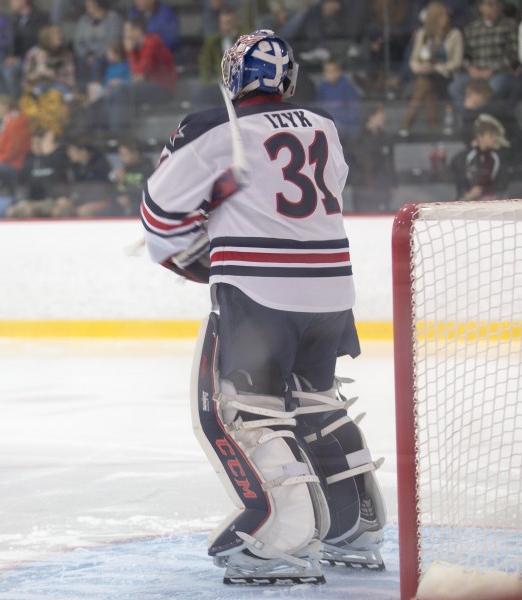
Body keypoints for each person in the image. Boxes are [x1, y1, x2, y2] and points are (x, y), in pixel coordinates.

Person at [141, 30, 386, 584]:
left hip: (260, 294)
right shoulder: (323, 125)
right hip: (331, 290)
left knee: (246, 413)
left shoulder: (211, 128)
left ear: (232, 77)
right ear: (288, 80)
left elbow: (160, 221)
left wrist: (199, 252)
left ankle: (278, 535)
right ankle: (357, 529)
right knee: (318, 404)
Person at [398, 1, 463, 138]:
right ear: (433, 17)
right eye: (442, 15)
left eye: (447, 15)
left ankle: (408, 119)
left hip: (445, 76)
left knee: (423, 83)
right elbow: (413, 59)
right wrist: (420, 67)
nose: (446, 18)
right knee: (426, 88)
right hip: (426, 74)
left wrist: (436, 67)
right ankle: (433, 126)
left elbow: (456, 62)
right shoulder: (423, 34)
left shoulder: (455, 34)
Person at [105, 18, 177, 132]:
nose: (124, 34)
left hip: (162, 89)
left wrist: (130, 52)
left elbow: (139, 74)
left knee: (121, 91)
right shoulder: (138, 46)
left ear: (137, 31)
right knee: (110, 94)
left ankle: (119, 134)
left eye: (127, 30)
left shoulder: (152, 42)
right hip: (148, 86)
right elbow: (136, 77)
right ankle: (109, 134)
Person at [448, 0, 518, 110]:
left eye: (497, 4)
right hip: (474, 73)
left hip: (498, 73)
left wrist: (491, 70)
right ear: (481, 7)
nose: (495, 8)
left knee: (495, 87)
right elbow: (465, 56)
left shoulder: (510, 26)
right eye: (490, 5)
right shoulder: (471, 28)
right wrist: (471, 68)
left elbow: (513, 56)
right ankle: (470, 119)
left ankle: (487, 119)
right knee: (455, 88)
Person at [6, 128, 70, 218]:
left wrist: (47, 155)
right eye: (33, 143)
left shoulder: (56, 159)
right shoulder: (28, 161)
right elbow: (22, 184)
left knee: (31, 210)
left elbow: (61, 183)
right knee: (12, 211)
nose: (36, 146)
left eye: (39, 143)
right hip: (31, 200)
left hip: (51, 200)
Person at [451, 114, 511, 201]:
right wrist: (470, 195)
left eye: (495, 136)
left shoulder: (499, 159)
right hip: (468, 204)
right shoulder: (464, 159)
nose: (494, 139)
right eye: (490, 136)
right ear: (479, 137)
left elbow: (502, 187)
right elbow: (460, 186)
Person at [0, 0, 50, 100]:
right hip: (19, 58)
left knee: (10, 71)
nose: (10, 3)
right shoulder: (16, 20)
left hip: (35, 59)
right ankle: (3, 106)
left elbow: (39, 43)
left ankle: (17, 106)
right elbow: (13, 44)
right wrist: (10, 57)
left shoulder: (40, 18)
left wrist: (20, 58)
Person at [350, 103, 395, 213]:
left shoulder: (385, 138)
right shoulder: (359, 141)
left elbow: (390, 163)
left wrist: (394, 183)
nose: (383, 116)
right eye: (380, 113)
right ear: (371, 116)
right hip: (364, 191)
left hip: (383, 189)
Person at [193, 9, 242, 109]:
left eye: (228, 23)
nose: (225, 26)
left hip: (240, 84)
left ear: (236, 23)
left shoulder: (245, 39)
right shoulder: (212, 41)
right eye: (222, 23)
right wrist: (208, 83)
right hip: (218, 84)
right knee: (200, 96)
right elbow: (205, 67)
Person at [72, 0, 123, 95]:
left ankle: (95, 97)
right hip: (86, 55)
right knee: (80, 62)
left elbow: (112, 41)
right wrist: (87, 55)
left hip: (105, 54)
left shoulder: (113, 18)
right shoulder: (83, 19)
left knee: (97, 64)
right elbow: (77, 42)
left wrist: (96, 56)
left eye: (90, 2)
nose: (86, 4)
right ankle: (81, 94)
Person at [21, 24, 76, 98]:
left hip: (59, 91)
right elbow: (26, 79)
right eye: (55, 34)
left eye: (60, 33)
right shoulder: (34, 53)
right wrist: (40, 73)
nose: (59, 36)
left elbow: (70, 81)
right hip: (37, 90)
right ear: (46, 37)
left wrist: (54, 77)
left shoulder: (66, 55)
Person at [315, 58, 360, 144]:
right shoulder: (322, 87)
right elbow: (318, 107)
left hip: (345, 125)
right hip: (327, 124)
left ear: (339, 71)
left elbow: (353, 108)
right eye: (327, 71)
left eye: (333, 71)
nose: (330, 74)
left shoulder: (346, 86)